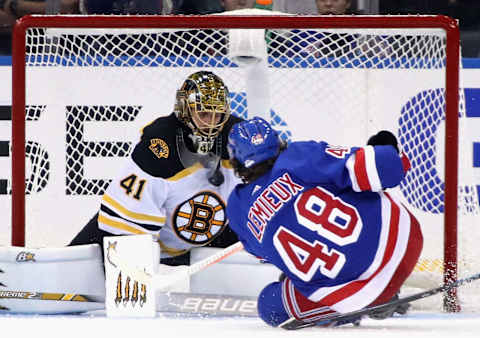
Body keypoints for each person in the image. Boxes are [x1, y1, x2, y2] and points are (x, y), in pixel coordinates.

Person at [225, 117, 423, 328]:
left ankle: (355, 309)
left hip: (358, 294)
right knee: (358, 180)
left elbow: (264, 255)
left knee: (270, 305)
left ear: (235, 162)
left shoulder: (237, 210)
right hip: (406, 243)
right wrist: (383, 148)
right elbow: (390, 169)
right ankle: (380, 292)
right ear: (277, 142)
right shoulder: (298, 156)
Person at [70, 71, 243, 266]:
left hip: (208, 244)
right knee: (72, 272)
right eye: (203, 114)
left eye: (216, 114)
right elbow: (128, 236)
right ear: (185, 110)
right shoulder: (160, 147)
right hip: (138, 236)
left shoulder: (238, 136)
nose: (210, 123)